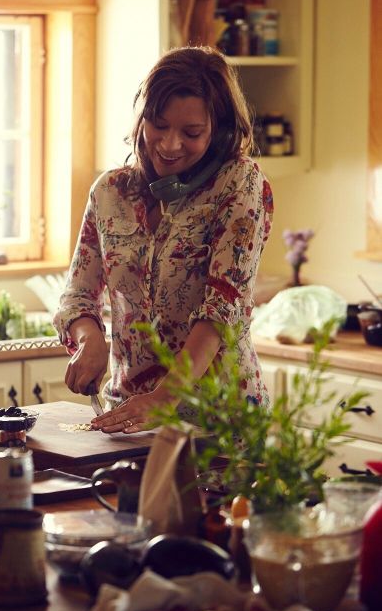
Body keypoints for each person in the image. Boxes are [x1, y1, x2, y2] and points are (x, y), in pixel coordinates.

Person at [53, 45, 273, 434]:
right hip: (128, 415)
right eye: (158, 124)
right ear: (141, 119)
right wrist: (89, 338)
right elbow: (78, 295)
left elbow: (222, 308)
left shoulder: (239, 184)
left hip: (217, 419)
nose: (170, 145)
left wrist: (166, 397)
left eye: (191, 133)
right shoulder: (110, 192)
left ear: (219, 132)